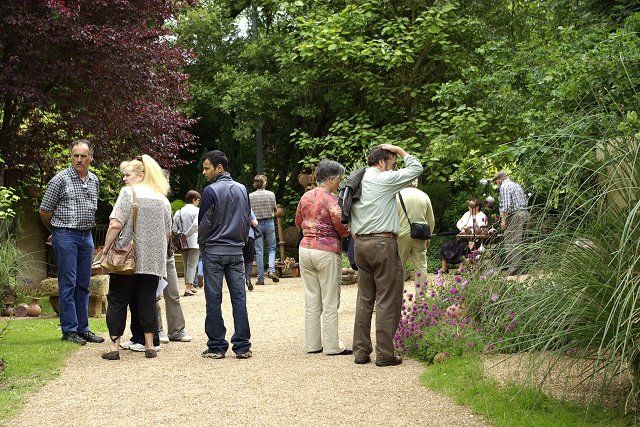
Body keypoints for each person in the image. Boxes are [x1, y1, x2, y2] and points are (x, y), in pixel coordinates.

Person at [350, 144, 423, 367]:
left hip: (360, 244)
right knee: (387, 298)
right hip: (382, 243)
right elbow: (416, 168)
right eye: (391, 163)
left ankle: (361, 352)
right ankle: (385, 354)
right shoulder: (383, 179)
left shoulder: (357, 180)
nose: (393, 168)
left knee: (365, 298)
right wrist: (400, 150)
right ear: (381, 162)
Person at [100, 155, 172, 360]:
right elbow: (168, 232)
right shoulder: (162, 199)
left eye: (127, 174)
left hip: (127, 258)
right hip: (153, 261)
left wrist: (105, 250)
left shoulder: (128, 193)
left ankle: (114, 347)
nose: (124, 179)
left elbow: (115, 224)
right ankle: (149, 345)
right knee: (147, 300)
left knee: (117, 300)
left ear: (141, 175)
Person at [39, 139, 104, 345]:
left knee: (83, 284)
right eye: (75, 155)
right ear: (71, 157)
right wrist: (56, 232)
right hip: (66, 235)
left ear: (90, 158)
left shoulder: (94, 180)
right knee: (68, 284)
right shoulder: (60, 179)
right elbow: (44, 210)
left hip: (87, 236)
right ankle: (69, 330)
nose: (79, 159)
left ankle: (83, 329)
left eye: (83, 156)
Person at [198, 150, 252, 359]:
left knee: (213, 299)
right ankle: (242, 345)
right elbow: (247, 219)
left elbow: (204, 224)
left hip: (214, 251)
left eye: (207, 168)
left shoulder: (210, 191)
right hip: (236, 251)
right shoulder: (242, 189)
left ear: (219, 168)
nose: (204, 172)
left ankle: (217, 345)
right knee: (239, 298)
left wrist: (203, 244)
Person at [295, 160, 352, 356]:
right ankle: (332, 346)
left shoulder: (305, 197)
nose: (339, 183)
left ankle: (313, 344)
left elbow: (298, 221)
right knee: (330, 299)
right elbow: (342, 227)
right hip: (326, 251)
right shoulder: (331, 200)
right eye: (339, 179)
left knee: (312, 299)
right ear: (331, 179)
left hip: (305, 250)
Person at [395, 179, 435, 287]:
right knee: (421, 267)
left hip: (401, 236)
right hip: (420, 235)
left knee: (399, 268)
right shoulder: (424, 196)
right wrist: (428, 236)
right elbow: (431, 220)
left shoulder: (397, 195)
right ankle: (421, 300)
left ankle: (397, 300)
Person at [493, 171, 529, 275]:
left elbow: (506, 206)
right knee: (522, 240)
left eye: (496, 182)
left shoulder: (504, 187)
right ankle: (524, 267)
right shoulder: (516, 185)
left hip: (514, 215)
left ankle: (515, 269)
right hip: (524, 213)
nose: (497, 185)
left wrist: (503, 221)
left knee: (511, 241)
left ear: (499, 180)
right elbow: (525, 201)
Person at [438, 198, 488, 274]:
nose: (468, 207)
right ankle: (444, 268)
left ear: (477, 207)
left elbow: (481, 229)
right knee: (446, 245)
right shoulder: (467, 214)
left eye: (470, 205)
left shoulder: (482, 216)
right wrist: (463, 228)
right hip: (461, 238)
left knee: (464, 246)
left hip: (474, 240)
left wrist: (468, 230)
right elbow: (459, 223)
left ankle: (461, 269)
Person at [249, 174, 279, 285]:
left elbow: (249, 212)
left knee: (259, 251)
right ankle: (271, 270)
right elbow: (275, 209)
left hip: (256, 224)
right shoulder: (271, 194)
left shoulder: (250, 196)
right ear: (264, 183)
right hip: (269, 222)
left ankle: (260, 278)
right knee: (272, 247)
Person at [173, 190, 201, 296]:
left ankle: (190, 286)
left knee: (186, 264)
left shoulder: (179, 211)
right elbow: (195, 226)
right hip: (194, 241)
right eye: (198, 199)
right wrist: (187, 234)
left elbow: (174, 228)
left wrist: (182, 234)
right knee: (192, 265)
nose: (199, 202)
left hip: (182, 242)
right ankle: (188, 288)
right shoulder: (197, 211)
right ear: (194, 199)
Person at [243, 210, 259, 291]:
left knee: (238, 259)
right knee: (249, 259)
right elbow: (255, 223)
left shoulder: (230, 207)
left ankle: (239, 282)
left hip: (236, 237)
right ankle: (248, 280)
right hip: (249, 236)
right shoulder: (247, 208)